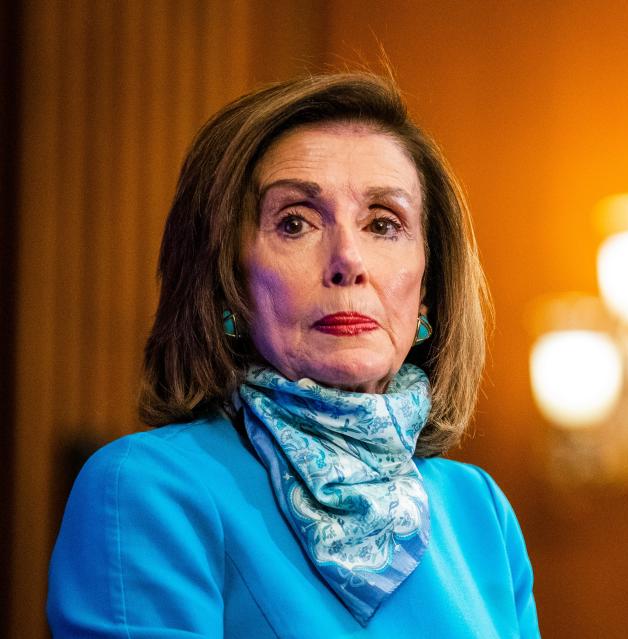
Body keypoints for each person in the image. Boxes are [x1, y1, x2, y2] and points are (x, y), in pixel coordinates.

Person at [47, 72, 540, 638]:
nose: (348, 260)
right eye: (295, 222)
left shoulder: (479, 512)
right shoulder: (146, 488)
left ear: (427, 289)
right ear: (227, 280)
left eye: (384, 223)